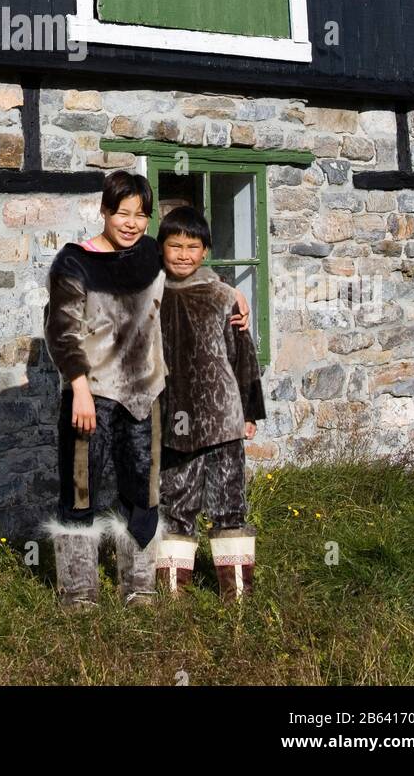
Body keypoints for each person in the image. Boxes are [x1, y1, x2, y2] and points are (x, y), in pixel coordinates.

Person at [43, 171, 250, 610]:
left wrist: (231, 293)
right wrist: (78, 389)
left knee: (143, 489)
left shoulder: (151, 256)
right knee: (81, 489)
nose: (132, 223)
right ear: (104, 211)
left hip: (144, 396)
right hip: (91, 395)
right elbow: (61, 331)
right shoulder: (74, 261)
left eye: (140, 215)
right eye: (123, 213)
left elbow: (187, 263)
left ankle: (138, 586)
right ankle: (79, 592)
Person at [154, 204, 265, 602]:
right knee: (176, 501)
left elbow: (243, 356)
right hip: (173, 421)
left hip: (222, 419)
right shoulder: (150, 294)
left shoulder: (223, 297)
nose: (183, 254)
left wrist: (249, 411)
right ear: (161, 247)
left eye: (192, 246)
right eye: (175, 245)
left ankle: (236, 592)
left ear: (206, 250)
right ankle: (171, 592)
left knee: (228, 500)